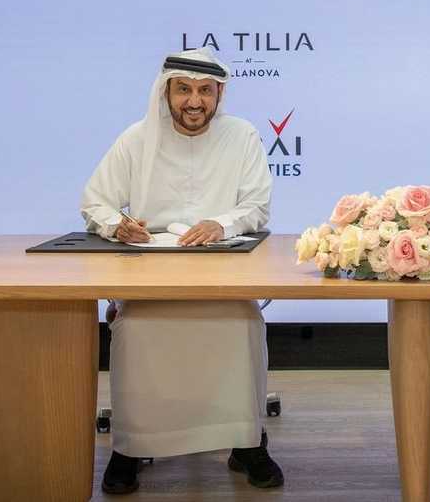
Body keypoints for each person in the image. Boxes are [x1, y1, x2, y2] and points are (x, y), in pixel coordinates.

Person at [80, 47, 281, 493]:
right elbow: (95, 201)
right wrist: (118, 225)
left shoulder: (242, 135)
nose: (194, 101)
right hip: (150, 269)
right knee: (136, 327)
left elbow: (256, 205)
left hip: (221, 266)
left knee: (242, 321)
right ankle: (130, 447)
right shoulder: (136, 138)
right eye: (184, 90)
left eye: (205, 91)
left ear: (219, 94)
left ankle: (246, 443)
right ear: (166, 92)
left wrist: (221, 223)